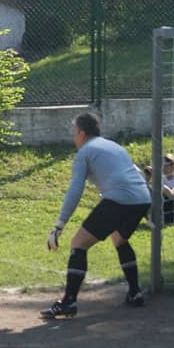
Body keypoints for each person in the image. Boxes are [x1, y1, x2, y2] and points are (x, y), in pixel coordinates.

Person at [42, 113, 151, 319]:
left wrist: (59, 226)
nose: (73, 138)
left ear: (82, 134)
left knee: (78, 244)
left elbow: (75, 190)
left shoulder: (85, 151)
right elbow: (137, 175)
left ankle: (69, 302)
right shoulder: (114, 146)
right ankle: (135, 292)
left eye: (74, 133)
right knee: (119, 239)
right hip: (142, 199)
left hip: (119, 200)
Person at [144, 153, 174, 226]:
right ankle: (153, 220)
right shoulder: (163, 178)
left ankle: (157, 221)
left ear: (173, 166)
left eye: (164, 166)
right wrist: (147, 178)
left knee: (163, 197)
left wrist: (157, 180)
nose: (162, 168)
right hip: (169, 210)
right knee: (145, 196)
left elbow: (172, 195)